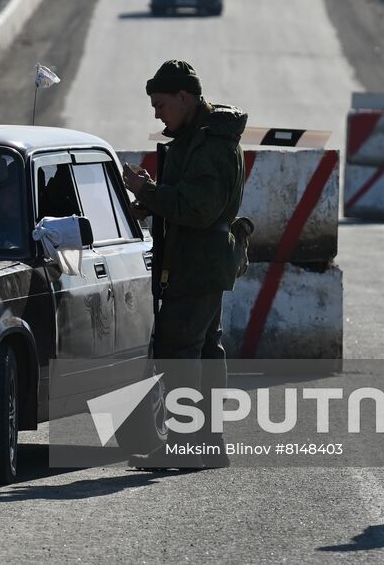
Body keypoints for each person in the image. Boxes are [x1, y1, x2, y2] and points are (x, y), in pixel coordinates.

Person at [121, 59, 247, 469]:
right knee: (204, 350)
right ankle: (206, 446)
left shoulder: (211, 144)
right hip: (200, 261)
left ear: (184, 96)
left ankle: (188, 445)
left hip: (199, 262)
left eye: (161, 103)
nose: (156, 112)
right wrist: (149, 203)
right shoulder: (196, 138)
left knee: (178, 350)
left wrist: (147, 190)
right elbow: (185, 199)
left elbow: (198, 208)